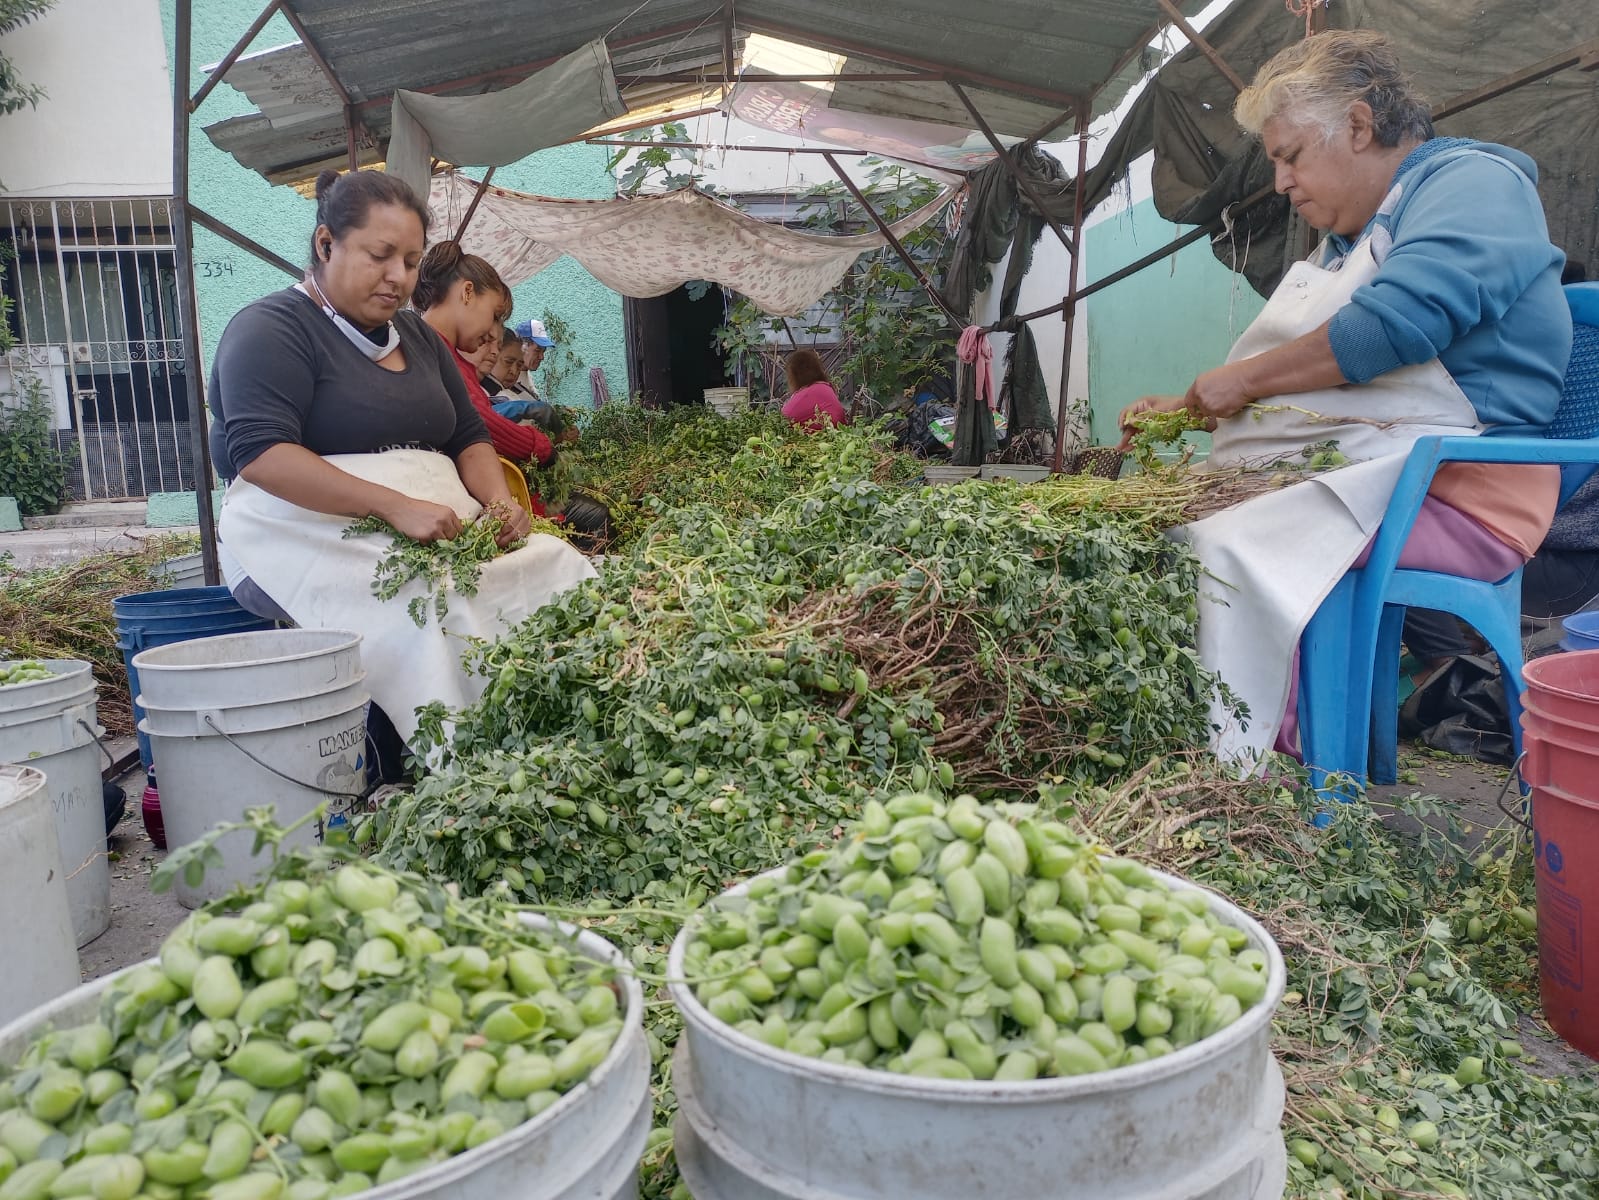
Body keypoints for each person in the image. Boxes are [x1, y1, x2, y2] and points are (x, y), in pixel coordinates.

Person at [1114, 30, 1572, 761]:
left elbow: (1394, 328)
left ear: (1357, 127)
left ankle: (1252, 762)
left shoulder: (1475, 183)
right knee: (1156, 525)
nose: (1281, 181)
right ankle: (1230, 736)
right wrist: (1190, 403)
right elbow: (1316, 382)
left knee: (1221, 542)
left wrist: (1236, 383)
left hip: (1460, 491)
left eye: (1290, 155)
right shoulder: (1347, 243)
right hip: (1376, 472)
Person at [208, 169, 593, 751]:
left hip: (432, 523)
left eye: (410, 262)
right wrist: (395, 508)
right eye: (380, 255)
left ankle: (552, 737)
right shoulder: (271, 330)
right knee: (431, 598)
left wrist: (501, 503)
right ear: (325, 244)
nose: (398, 277)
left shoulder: (415, 335)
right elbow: (261, 454)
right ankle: (456, 758)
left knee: (553, 564)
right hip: (311, 531)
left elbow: (467, 435)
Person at [412, 244, 556, 471]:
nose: (492, 329)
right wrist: (540, 447)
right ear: (467, 292)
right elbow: (478, 424)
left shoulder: (444, 355)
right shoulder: (425, 348)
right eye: (495, 315)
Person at [780, 349, 848, 431]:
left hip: (827, 437)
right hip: (838, 433)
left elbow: (783, 419)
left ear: (795, 375)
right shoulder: (823, 387)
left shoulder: (809, 392)